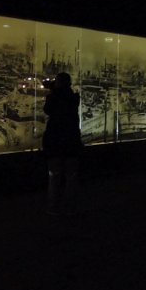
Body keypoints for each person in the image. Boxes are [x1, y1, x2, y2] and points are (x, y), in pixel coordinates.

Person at [42, 72, 84, 215]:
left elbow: (48, 109)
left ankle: (54, 207)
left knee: (54, 176)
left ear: (58, 83)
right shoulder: (74, 98)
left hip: (55, 142)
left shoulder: (53, 97)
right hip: (71, 141)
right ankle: (70, 207)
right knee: (71, 176)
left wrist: (52, 89)